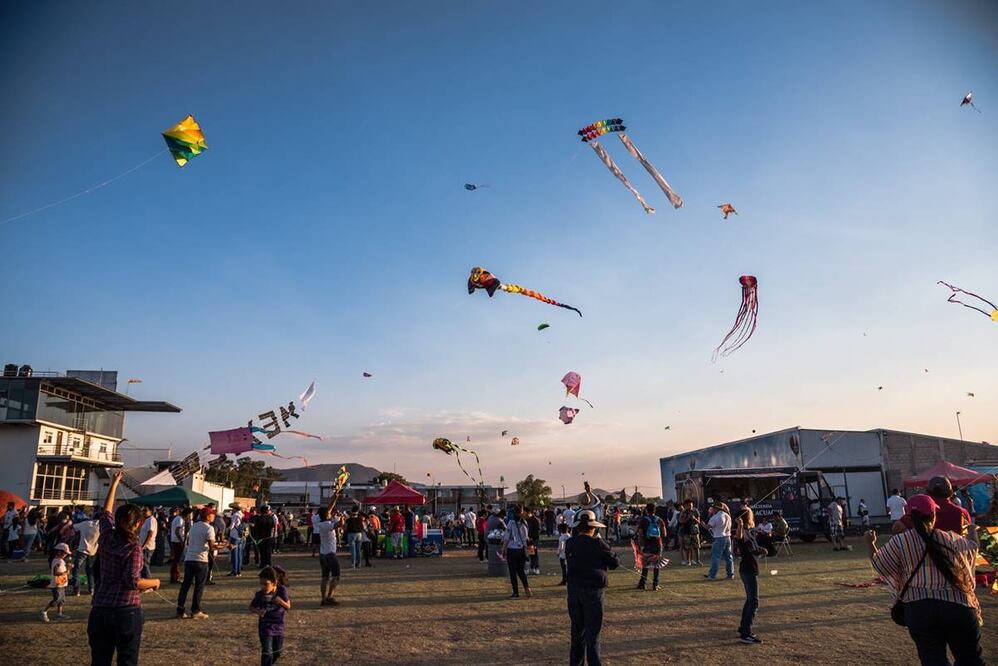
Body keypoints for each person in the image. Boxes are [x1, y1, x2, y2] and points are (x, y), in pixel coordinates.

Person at [867, 494, 983, 666]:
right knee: (970, 660)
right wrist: (972, 531)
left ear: (909, 517)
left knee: (933, 660)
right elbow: (972, 548)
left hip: (920, 609)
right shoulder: (950, 538)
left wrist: (870, 542)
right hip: (959, 606)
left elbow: (881, 565)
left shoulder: (900, 541)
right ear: (934, 516)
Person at [87, 472, 161, 666]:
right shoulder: (133, 548)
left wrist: (114, 483)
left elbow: (106, 512)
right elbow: (132, 581)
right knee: (127, 661)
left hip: (100, 609)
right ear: (137, 524)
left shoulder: (106, 538)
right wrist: (155, 582)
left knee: (99, 661)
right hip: (125, 611)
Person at [565, 509, 619, 666]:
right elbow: (614, 562)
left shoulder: (570, 543)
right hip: (593, 592)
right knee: (593, 635)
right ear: (593, 527)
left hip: (574, 591)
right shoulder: (597, 543)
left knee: (577, 633)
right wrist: (603, 543)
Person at [176, 507, 223, 619]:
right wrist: (226, 546)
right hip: (201, 560)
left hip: (189, 558)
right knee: (199, 586)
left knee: (185, 586)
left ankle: (180, 610)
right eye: (212, 514)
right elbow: (212, 546)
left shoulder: (194, 526)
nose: (214, 516)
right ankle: (196, 610)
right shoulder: (209, 528)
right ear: (207, 516)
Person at [250, 566, 291, 666]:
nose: (263, 587)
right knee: (267, 652)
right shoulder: (259, 594)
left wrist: (280, 601)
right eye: (261, 584)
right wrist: (258, 612)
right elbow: (251, 607)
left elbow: (288, 607)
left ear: (274, 582)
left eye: (266, 584)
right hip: (265, 626)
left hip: (278, 626)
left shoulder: (282, 590)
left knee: (277, 652)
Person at [733, 514, 762, 644]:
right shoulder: (742, 532)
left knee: (750, 600)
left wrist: (761, 550)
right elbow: (738, 539)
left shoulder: (749, 532)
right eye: (750, 516)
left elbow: (752, 549)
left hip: (751, 569)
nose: (753, 518)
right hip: (748, 570)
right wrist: (739, 525)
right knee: (754, 601)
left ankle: (743, 628)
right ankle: (746, 633)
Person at [501, 505, 531, 598]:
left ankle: (516, 592)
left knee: (512, 572)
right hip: (521, 550)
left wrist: (503, 550)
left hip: (512, 549)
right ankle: (527, 588)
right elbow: (526, 538)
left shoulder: (511, 523)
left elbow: (506, 538)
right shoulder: (524, 523)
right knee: (521, 571)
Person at [315, 496, 341, 606]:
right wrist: (341, 518)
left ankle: (323, 598)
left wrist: (336, 496)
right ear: (327, 515)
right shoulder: (327, 525)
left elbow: (329, 509)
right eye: (329, 513)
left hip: (322, 554)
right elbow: (340, 525)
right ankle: (329, 597)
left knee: (325, 577)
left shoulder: (320, 521)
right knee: (336, 576)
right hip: (330, 554)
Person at [636, 503, 666, 591]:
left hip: (647, 544)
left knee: (645, 564)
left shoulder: (643, 520)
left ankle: (643, 583)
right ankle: (655, 585)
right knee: (657, 565)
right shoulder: (659, 520)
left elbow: (640, 534)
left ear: (646, 510)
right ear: (655, 510)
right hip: (657, 544)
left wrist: (640, 545)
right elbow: (664, 533)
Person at [72, 509, 100, 596]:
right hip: (93, 551)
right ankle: (91, 588)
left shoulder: (85, 524)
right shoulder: (101, 526)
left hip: (82, 549)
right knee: (90, 571)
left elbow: (74, 527)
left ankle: (77, 590)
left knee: (76, 569)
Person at [42, 542, 72, 622]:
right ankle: (44, 611)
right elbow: (56, 573)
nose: (65, 555)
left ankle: (59, 613)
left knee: (62, 599)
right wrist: (66, 571)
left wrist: (67, 569)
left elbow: (64, 571)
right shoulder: (57, 561)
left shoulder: (61, 561)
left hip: (61, 583)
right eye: (64, 553)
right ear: (59, 552)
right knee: (57, 599)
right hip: (56, 584)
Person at [705, 502, 734, 580]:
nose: (712, 509)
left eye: (713, 508)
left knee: (716, 557)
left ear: (716, 509)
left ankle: (712, 575)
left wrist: (702, 523)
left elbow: (708, 527)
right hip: (728, 537)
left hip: (719, 538)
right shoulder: (727, 516)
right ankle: (730, 574)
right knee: (729, 557)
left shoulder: (715, 517)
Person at [169, 507, 190, 584]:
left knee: (176, 560)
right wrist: (181, 541)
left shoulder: (178, 518)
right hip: (177, 541)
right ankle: (175, 577)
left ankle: (175, 576)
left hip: (176, 541)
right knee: (176, 560)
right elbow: (177, 531)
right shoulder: (180, 519)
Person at [679, 499, 701, 566]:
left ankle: (698, 561)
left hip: (695, 531)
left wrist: (694, 518)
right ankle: (688, 561)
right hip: (686, 531)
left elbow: (699, 522)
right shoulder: (683, 512)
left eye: (691, 505)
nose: (690, 506)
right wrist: (687, 518)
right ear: (685, 505)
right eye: (688, 505)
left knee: (696, 547)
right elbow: (681, 521)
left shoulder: (695, 511)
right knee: (687, 547)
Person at [137, 506, 157, 579]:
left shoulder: (151, 520)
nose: (143, 512)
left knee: (145, 564)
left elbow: (150, 533)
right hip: (143, 545)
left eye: (145, 510)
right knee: (142, 564)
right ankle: (145, 580)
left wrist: (144, 545)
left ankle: (148, 582)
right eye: (143, 510)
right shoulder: (146, 520)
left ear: (151, 511)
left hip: (147, 547)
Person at [228, 505, 244, 577]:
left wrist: (227, 529)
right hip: (241, 536)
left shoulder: (235, 515)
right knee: (239, 554)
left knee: (234, 554)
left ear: (235, 508)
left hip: (234, 535)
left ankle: (234, 571)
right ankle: (238, 571)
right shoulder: (242, 514)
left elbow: (232, 526)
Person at [526, 507, 542, 575]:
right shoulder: (527, 520)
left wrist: (532, 537)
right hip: (529, 539)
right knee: (531, 553)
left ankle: (536, 568)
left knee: (534, 553)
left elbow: (538, 530)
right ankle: (532, 567)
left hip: (534, 539)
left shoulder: (536, 520)